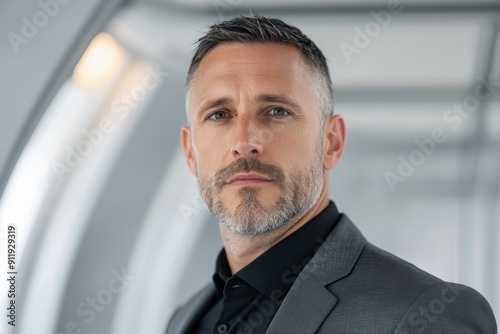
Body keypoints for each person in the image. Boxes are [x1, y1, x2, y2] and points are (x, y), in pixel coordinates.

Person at [166, 14, 497, 334]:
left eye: (276, 111)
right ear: (190, 151)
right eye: (219, 114)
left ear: (331, 142)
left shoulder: (428, 316)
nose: (244, 142)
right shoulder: (185, 319)